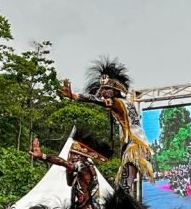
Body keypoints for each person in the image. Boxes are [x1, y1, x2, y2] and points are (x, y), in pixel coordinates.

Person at [60, 58, 152, 193]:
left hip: (134, 148)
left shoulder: (118, 103)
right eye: (102, 89)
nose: (103, 92)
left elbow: (97, 100)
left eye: (107, 89)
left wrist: (74, 96)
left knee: (123, 189)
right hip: (136, 147)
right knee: (123, 187)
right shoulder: (126, 104)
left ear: (116, 90)